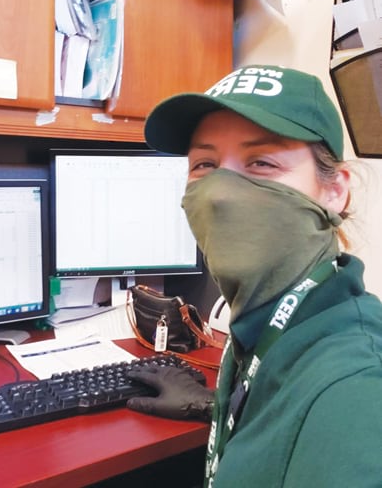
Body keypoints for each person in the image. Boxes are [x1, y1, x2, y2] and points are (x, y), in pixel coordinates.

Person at [126, 64, 382, 487]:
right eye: (205, 164)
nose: (222, 193)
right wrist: (215, 405)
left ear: (335, 190)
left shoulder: (356, 389)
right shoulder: (269, 326)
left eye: (261, 162)